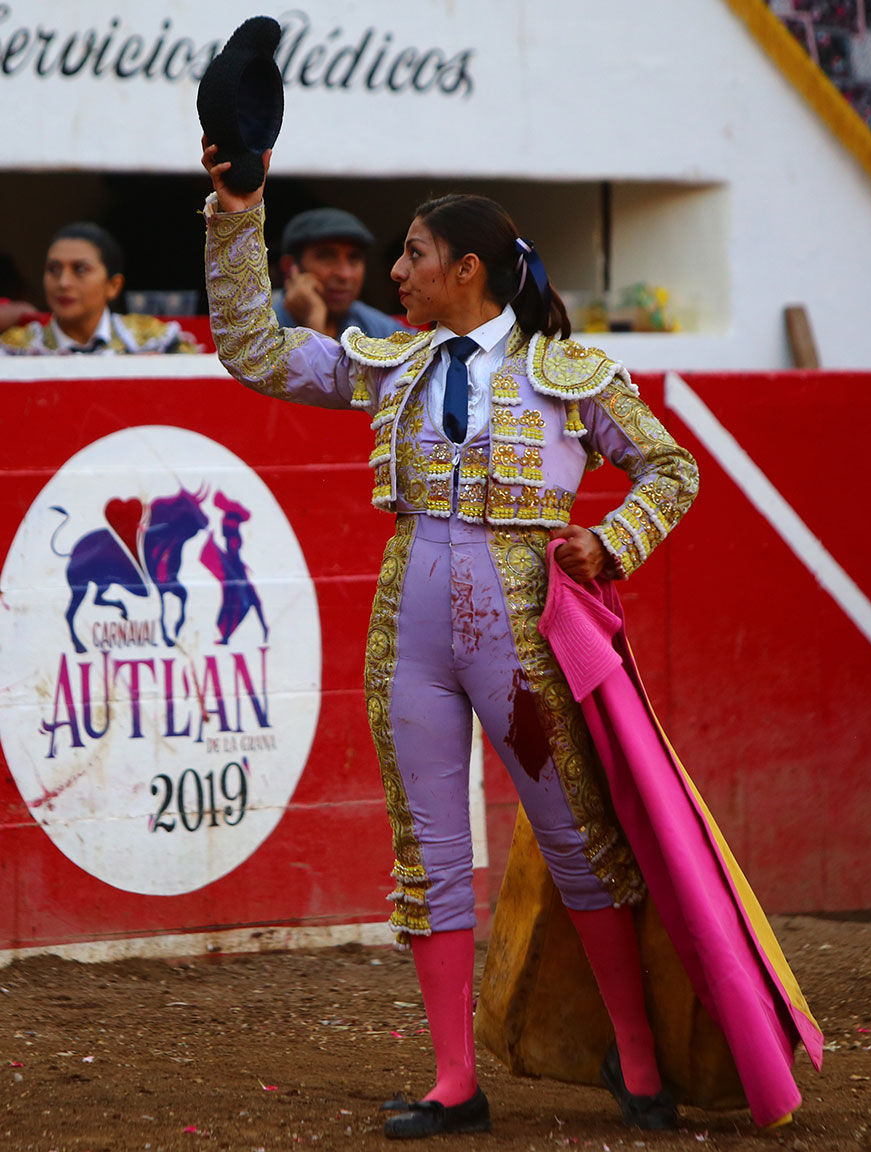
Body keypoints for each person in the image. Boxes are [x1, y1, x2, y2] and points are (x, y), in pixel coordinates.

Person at [201, 141, 702, 1138]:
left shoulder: (570, 371)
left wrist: (611, 541)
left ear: (465, 269)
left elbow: (671, 468)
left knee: (577, 841)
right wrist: (236, 206)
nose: (394, 273)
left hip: (521, 627)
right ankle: (453, 1081)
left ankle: (638, 1058)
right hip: (412, 621)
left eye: (413, 254)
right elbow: (253, 348)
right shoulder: (389, 361)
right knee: (426, 849)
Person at [0, 223, 198, 355]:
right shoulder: (15, 349)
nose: (63, 282)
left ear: (113, 286)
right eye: (53, 270)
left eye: (80, 269)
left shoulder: (154, 341)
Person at [273, 206, 409, 338]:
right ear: (290, 267)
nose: (345, 274)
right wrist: (312, 319)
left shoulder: (378, 328)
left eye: (354, 258)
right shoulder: (261, 327)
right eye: (326, 256)